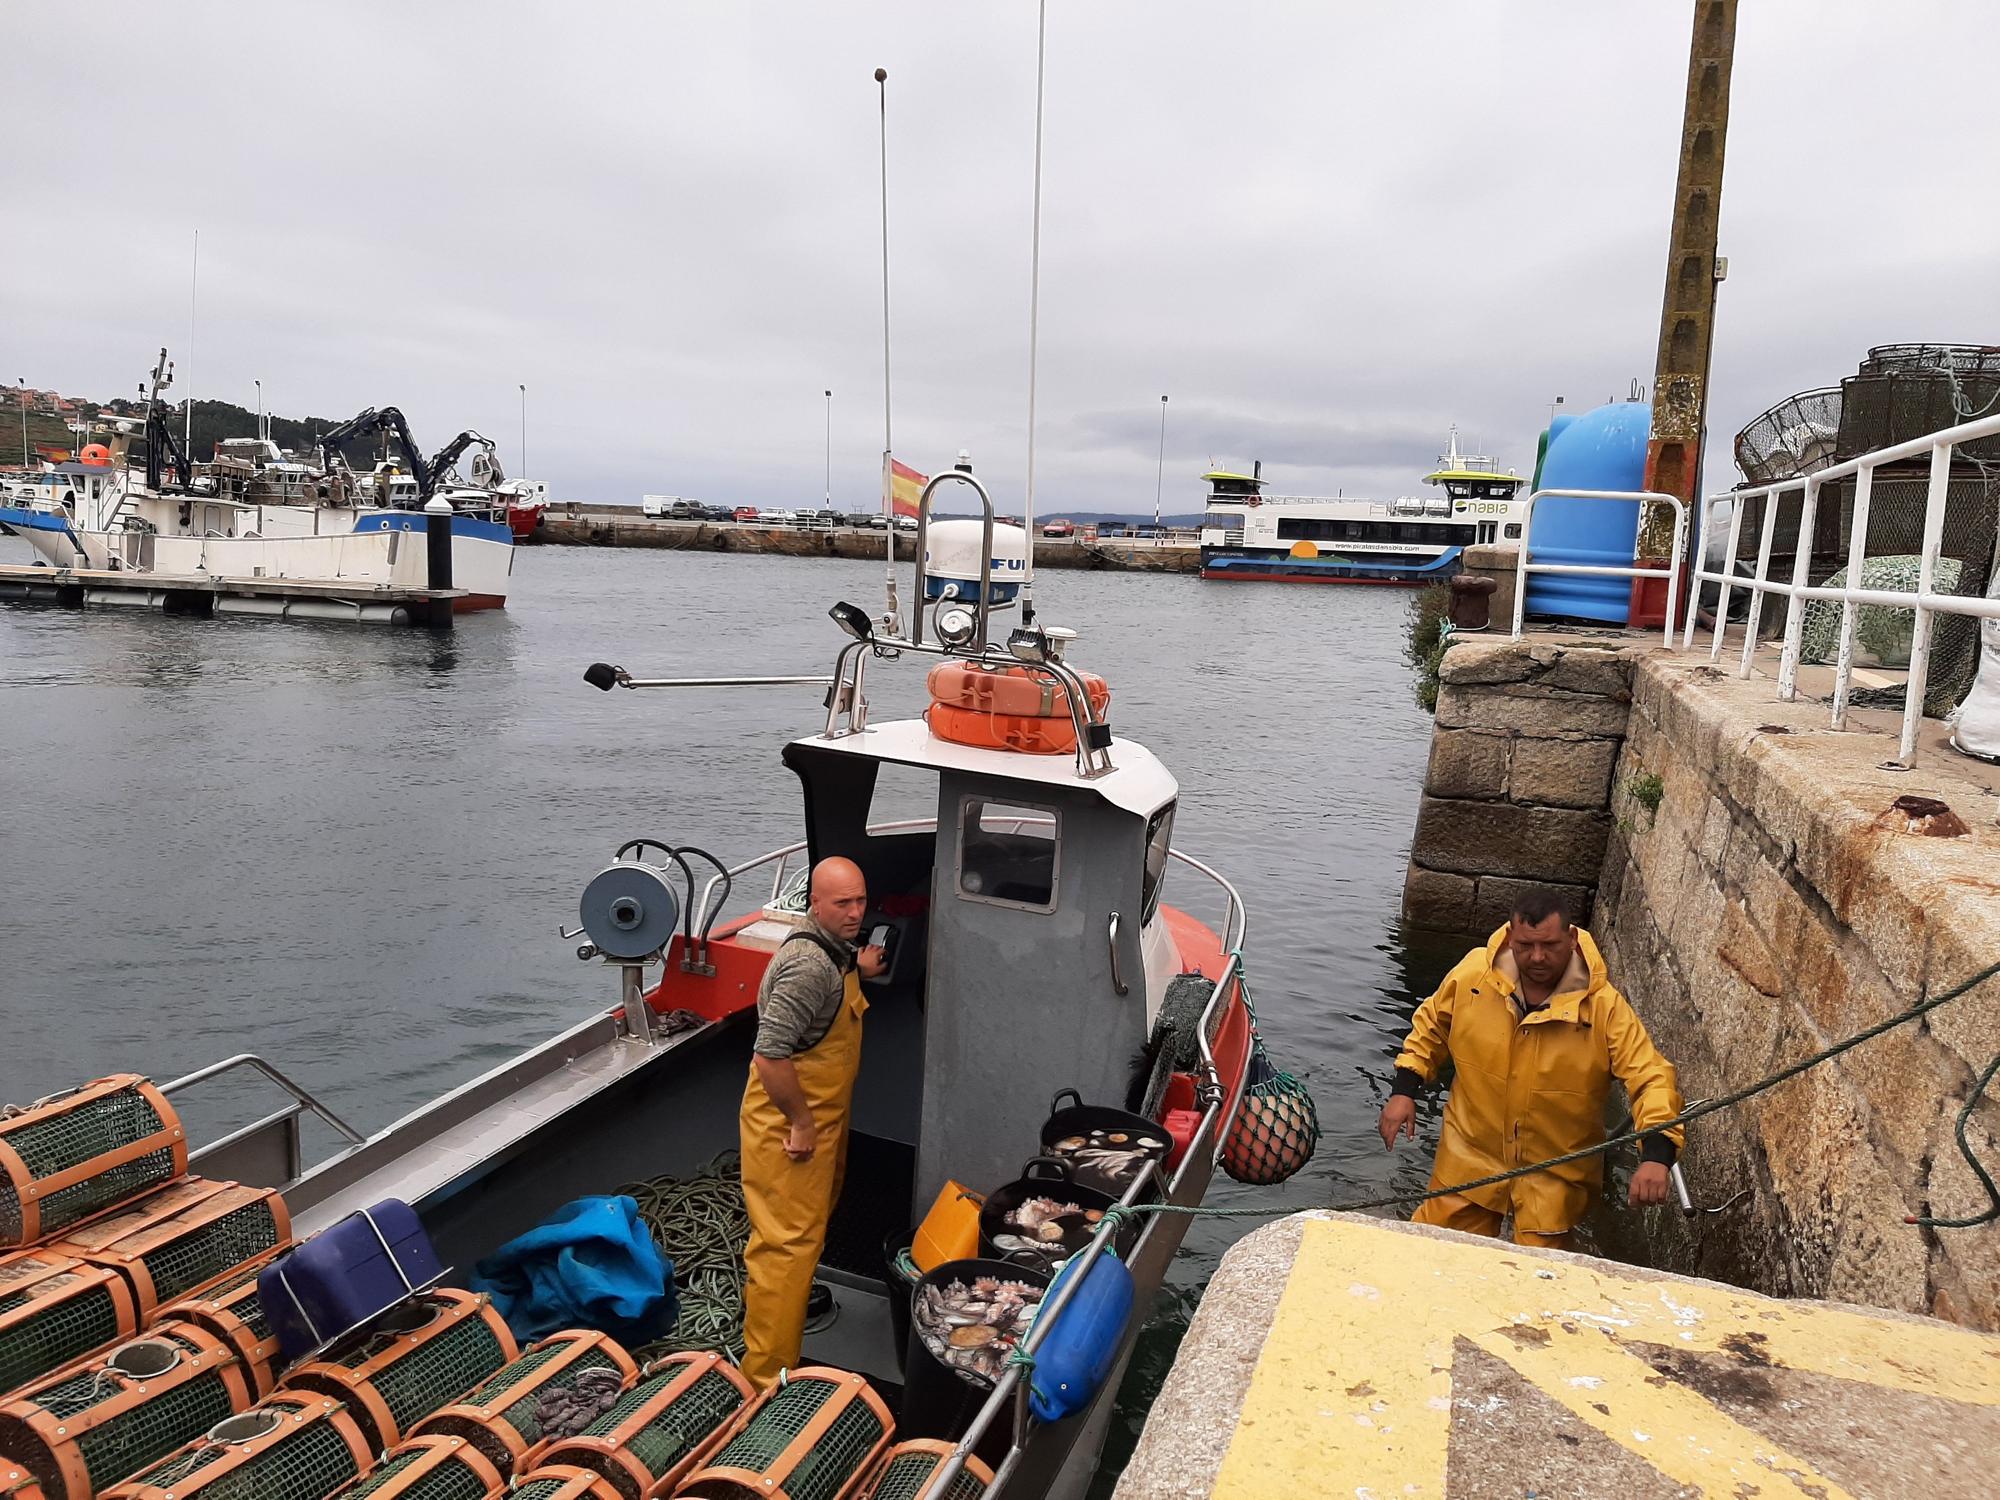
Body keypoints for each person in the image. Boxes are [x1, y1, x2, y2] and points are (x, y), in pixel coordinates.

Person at [1378, 888, 1682, 1250]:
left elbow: (1650, 1077)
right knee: (1430, 1253)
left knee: (1539, 1276)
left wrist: (1656, 1156)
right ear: (1509, 936)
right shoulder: (1474, 975)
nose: (1537, 957)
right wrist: (1403, 1090)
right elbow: (1431, 1026)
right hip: (1469, 1156)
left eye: (1550, 946)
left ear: (1571, 939)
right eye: (1525, 946)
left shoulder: (1604, 1008)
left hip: (1553, 1175)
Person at [738, 856, 886, 1387]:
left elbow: (841, 969)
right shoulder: (808, 967)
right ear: (813, 904)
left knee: (809, 1228)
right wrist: (801, 1123)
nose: (854, 913)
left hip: (821, 1122)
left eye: (860, 901)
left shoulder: (835, 952)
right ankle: (761, 1384)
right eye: (841, 903)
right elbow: (770, 1056)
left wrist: (862, 966)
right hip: (791, 1127)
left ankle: (783, 1337)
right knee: (785, 1248)